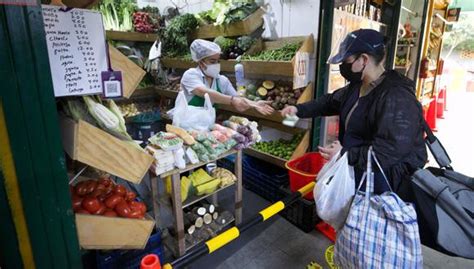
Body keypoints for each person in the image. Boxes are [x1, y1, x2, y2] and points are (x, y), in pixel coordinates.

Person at [282, 29, 427, 200]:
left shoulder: (397, 98)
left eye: (347, 60)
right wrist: (298, 110)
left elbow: (388, 154)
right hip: (358, 174)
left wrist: (345, 154)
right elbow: (330, 102)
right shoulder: (358, 86)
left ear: (364, 60)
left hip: (385, 188)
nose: (343, 65)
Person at [179, 39, 274, 115]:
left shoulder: (222, 81)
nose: (216, 64)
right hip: (187, 126)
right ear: (201, 62)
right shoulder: (191, 75)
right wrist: (232, 100)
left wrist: (254, 104)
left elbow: (237, 98)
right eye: (212, 62)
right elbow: (203, 91)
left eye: (218, 61)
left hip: (206, 127)